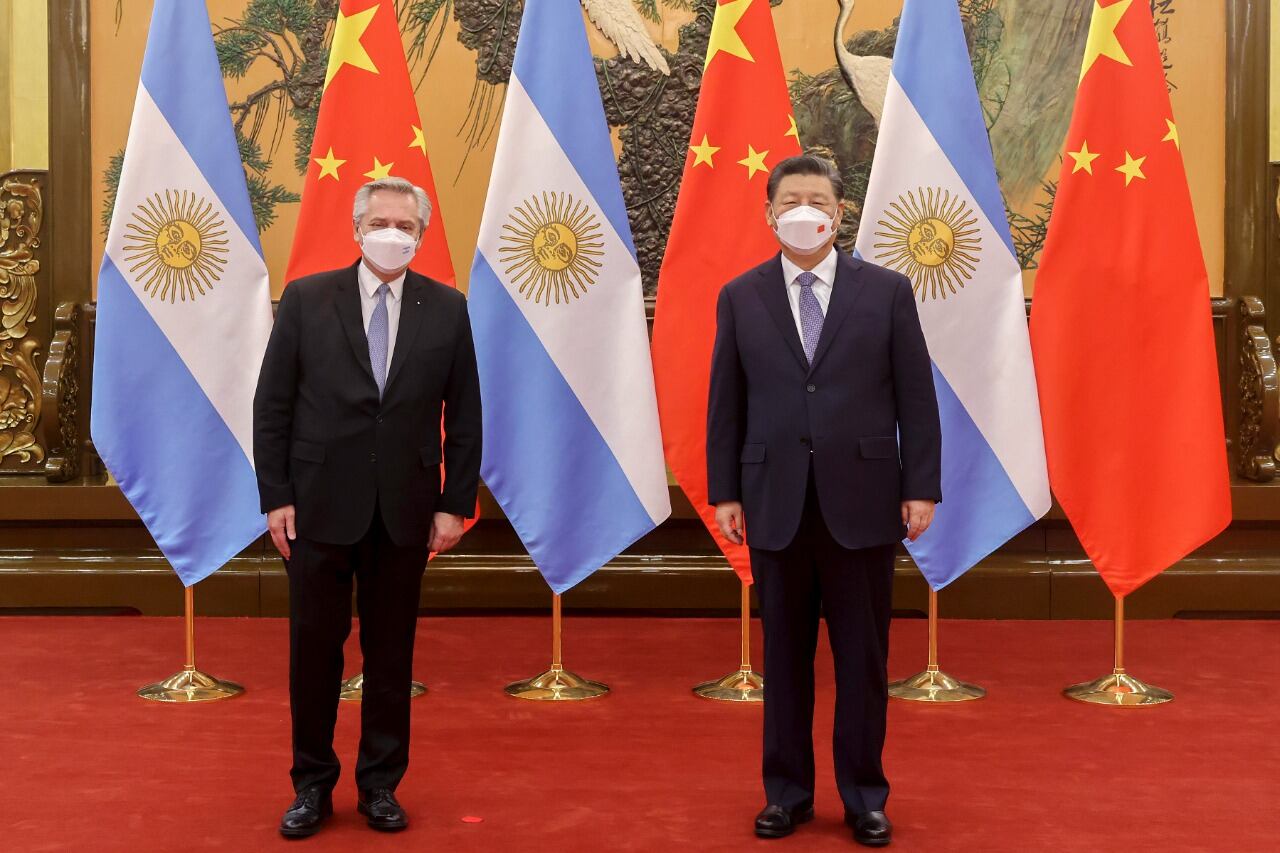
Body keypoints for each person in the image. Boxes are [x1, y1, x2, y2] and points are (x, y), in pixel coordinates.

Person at [707, 154, 941, 847]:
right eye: (790, 199)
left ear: (839, 213)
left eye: (817, 199)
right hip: (774, 500)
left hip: (864, 503)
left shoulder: (888, 292)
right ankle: (787, 793)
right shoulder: (741, 296)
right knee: (783, 659)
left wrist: (920, 485)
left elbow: (916, 399)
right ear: (770, 213)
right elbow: (727, 402)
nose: (804, 209)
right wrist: (725, 491)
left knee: (863, 660)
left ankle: (865, 795)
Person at [253, 177, 482, 838]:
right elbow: (272, 409)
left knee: (391, 657)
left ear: (422, 234)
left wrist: (453, 505)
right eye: (379, 220)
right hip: (317, 508)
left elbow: (465, 415)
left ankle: (380, 783)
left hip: (406, 511)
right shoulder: (305, 299)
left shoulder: (447, 308)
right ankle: (312, 784)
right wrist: (276, 497)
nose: (391, 231)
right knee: (313, 651)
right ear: (356, 229)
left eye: (404, 224)